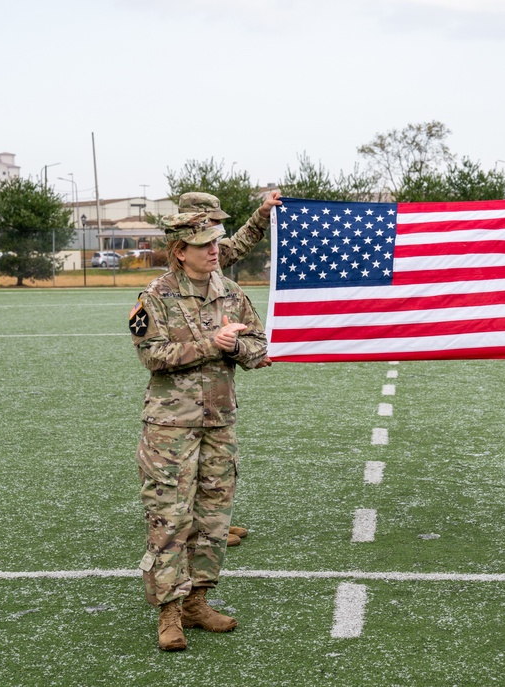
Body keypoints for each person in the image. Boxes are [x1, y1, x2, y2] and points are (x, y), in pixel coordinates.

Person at [130, 211, 269, 651]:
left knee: (212, 518)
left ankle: (198, 602)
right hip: (170, 427)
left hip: (219, 422)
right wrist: (215, 344)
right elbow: (152, 355)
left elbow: (258, 344)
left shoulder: (231, 292)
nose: (215, 250)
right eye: (205, 244)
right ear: (179, 252)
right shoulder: (155, 297)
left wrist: (245, 349)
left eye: (217, 242)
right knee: (170, 519)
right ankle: (169, 613)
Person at [177, 190, 281, 546]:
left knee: (214, 460)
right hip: (186, 392)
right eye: (214, 222)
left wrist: (264, 213)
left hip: (216, 387)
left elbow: (240, 243)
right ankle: (194, 528)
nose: (220, 233)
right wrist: (234, 348)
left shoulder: (212, 259)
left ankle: (211, 523)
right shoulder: (184, 271)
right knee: (187, 461)